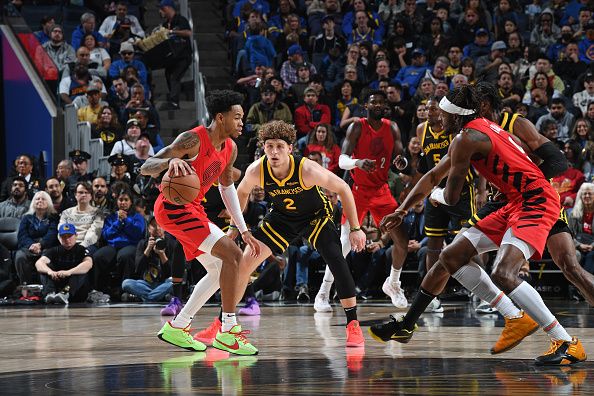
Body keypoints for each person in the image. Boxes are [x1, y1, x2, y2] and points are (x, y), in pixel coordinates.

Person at [371, 85, 587, 366]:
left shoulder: (466, 138)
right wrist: (402, 209)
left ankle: (566, 342)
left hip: (535, 201)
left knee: (505, 273)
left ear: (456, 116)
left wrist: (434, 197)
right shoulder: (481, 128)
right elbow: (433, 174)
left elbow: (449, 196)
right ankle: (512, 318)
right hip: (514, 200)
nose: (439, 121)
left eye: (444, 115)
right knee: (450, 257)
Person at [194, 120, 367, 347]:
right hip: (282, 218)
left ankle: (352, 324)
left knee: (335, 258)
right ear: (263, 148)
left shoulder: (306, 169)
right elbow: (241, 194)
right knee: (244, 263)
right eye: (269, 146)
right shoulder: (256, 170)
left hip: (315, 216)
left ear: (290, 148)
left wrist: (355, 228)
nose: (274, 152)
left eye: (279, 146)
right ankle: (222, 323)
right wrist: (235, 227)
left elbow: (344, 189)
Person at [140, 90, 260, 355]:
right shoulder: (193, 139)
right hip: (173, 209)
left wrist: (243, 229)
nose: (242, 122)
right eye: (237, 117)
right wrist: (170, 161)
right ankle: (228, 331)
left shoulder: (230, 147)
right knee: (233, 256)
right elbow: (146, 166)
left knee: (220, 270)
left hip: (194, 210)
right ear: (221, 117)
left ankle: (178, 325)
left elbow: (227, 187)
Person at [314, 90, 409, 310]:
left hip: (381, 189)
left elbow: (400, 157)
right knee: (345, 243)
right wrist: (358, 163)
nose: (377, 106)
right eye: (373, 102)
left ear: (385, 106)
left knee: (402, 239)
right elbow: (342, 159)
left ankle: (393, 283)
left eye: (381, 103)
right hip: (356, 190)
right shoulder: (357, 126)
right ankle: (323, 292)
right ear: (366, 105)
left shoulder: (392, 127)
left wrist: (401, 162)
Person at [414, 96, 478, 312]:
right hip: (435, 193)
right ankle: (433, 296)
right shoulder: (421, 130)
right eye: (425, 108)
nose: (428, 112)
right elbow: (426, 165)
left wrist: (483, 188)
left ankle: (481, 293)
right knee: (433, 244)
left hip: (460, 191)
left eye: (432, 109)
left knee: (471, 244)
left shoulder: (454, 130)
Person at [92, 188, 145, 298]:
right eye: (120, 200)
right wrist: (117, 222)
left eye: (126, 200)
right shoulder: (111, 217)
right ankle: (100, 290)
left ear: (131, 202)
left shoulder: (137, 217)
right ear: (117, 201)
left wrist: (126, 220)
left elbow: (138, 233)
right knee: (99, 256)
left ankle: (124, 290)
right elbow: (106, 235)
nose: (123, 202)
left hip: (130, 245)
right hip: (112, 245)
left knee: (125, 256)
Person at [35, 223, 93, 304]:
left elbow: (88, 264)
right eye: (64, 237)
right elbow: (39, 263)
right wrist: (50, 272)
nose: (67, 239)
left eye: (69, 236)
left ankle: (64, 294)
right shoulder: (54, 250)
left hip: (75, 289)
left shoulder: (82, 250)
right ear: (59, 237)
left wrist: (69, 272)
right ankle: (50, 294)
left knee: (81, 271)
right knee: (45, 268)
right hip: (58, 284)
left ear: (76, 235)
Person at [121, 216, 174, 302]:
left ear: (164, 228)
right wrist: (148, 250)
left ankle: (145, 297)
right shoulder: (143, 243)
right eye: (153, 225)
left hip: (164, 282)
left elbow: (172, 272)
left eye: (160, 225)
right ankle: (160, 296)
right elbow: (138, 269)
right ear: (149, 229)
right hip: (146, 284)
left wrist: (162, 254)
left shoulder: (171, 243)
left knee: (173, 283)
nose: (157, 228)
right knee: (126, 283)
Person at [14, 191, 59, 286]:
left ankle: (46, 288)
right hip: (28, 247)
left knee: (47, 257)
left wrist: (40, 245)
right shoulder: (26, 217)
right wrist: (32, 245)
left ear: (49, 203)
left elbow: (53, 233)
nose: (40, 201)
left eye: (43, 199)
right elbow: (22, 235)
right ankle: (26, 286)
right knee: (20, 257)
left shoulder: (54, 217)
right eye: (37, 199)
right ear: (33, 202)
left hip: (46, 247)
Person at [158, 0, 193, 110]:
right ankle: (185, 88)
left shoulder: (180, 20)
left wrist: (172, 32)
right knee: (168, 75)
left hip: (183, 55)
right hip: (171, 57)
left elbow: (188, 33)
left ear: (168, 8)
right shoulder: (164, 24)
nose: (160, 12)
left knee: (174, 77)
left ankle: (174, 102)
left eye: (162, 9)